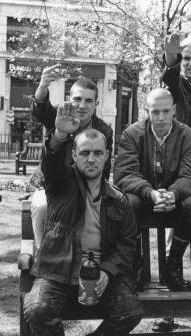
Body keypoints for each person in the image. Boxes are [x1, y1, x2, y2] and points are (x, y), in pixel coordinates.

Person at [23, 106, 143, 336]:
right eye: (85, 153)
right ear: (74, 156)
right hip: (60, 269)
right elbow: (52, 162)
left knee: (130, 311)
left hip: (102, 272)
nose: (91, 159)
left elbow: (127, 244)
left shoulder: (118, 199)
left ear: (106, 157)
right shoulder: (60, 184)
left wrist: (107, 271)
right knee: (37, 309)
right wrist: (59, 136)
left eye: (98, 153)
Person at [114, 88, 191, 292]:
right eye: (155, 112)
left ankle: (173, 265)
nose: (161, 118)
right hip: (143, 200)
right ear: (147, 111)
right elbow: (124, 175)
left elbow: (190, 176)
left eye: (165, 111)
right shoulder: (133, 134)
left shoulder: (187, 135)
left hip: (174, 201)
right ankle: (136, 264)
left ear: (174, 110)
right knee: (128, 202)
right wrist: (150, 193)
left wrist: (173, 193)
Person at [29, 68, 114, 248]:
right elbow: (40, 109)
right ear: (69, 98)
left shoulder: (104, 131)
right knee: (42, 206)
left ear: (96, 103)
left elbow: (103, 170)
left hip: (87, 187)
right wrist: (43, 84)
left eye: (88, 101)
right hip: (53, 185)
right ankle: (42, 253)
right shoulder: (58, 117)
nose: (82, 106)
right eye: (77, 99)